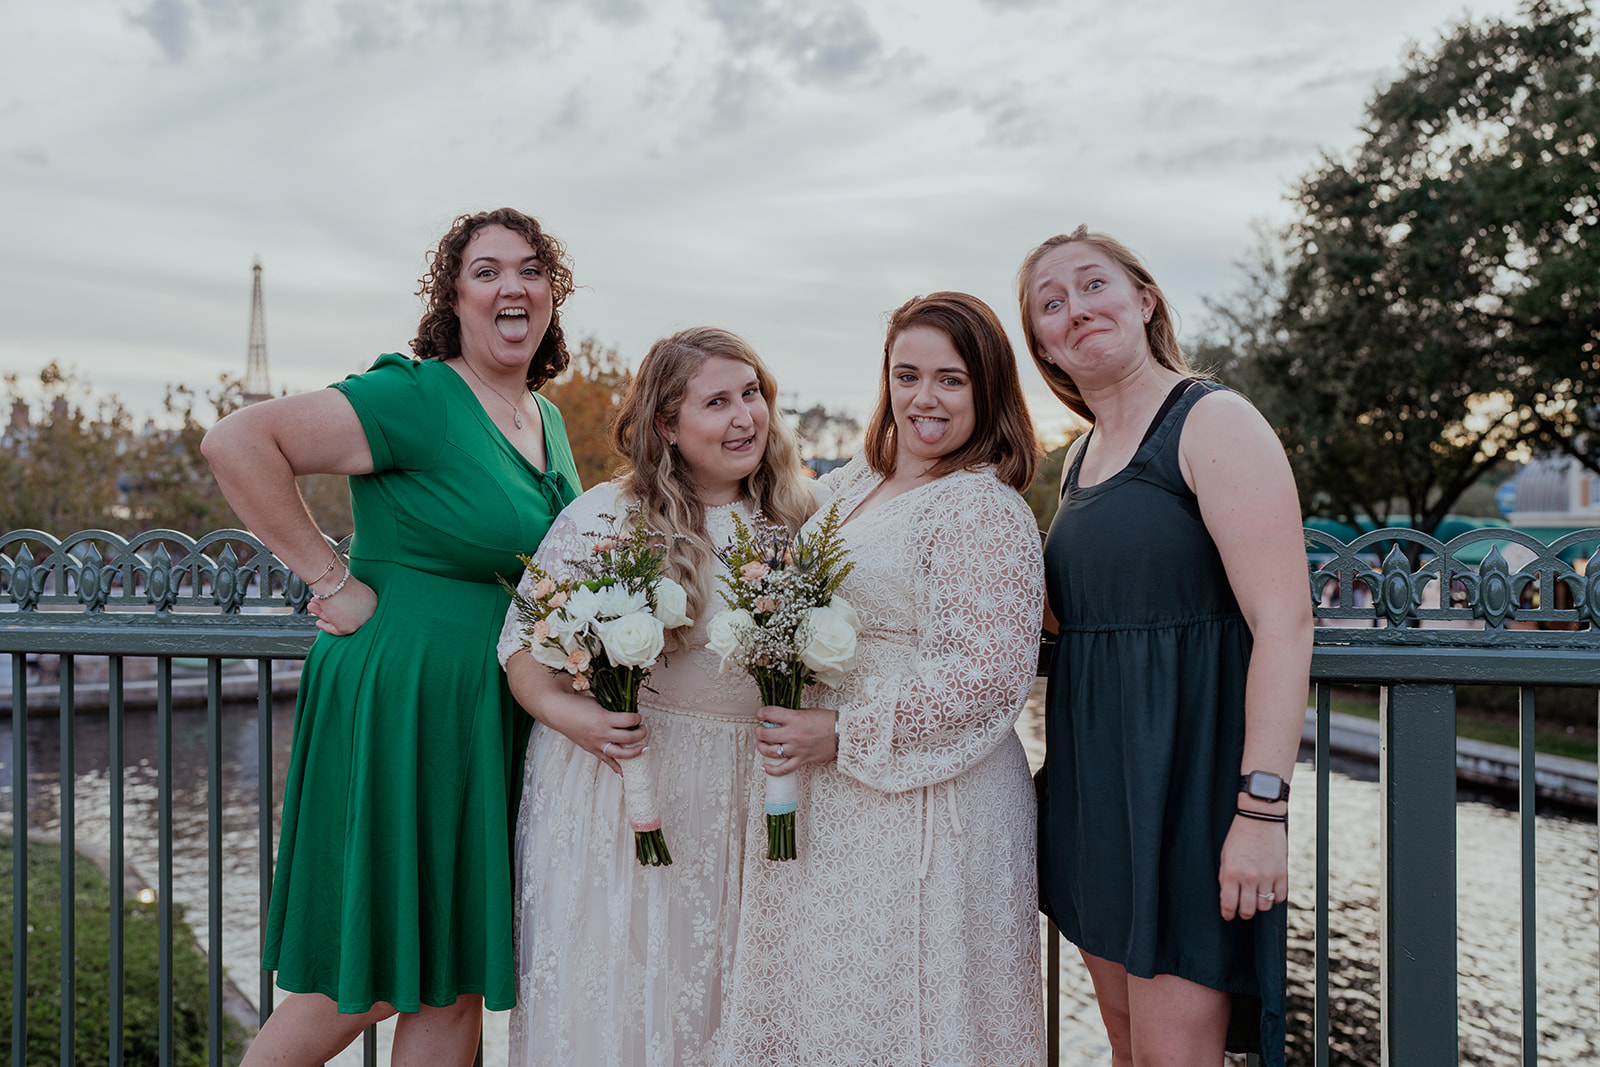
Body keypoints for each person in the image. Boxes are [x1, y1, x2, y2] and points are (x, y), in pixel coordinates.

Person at [201, 207, 582, 1067]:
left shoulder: (545, 418)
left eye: (531, 269)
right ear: (454, 297)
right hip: (405, 702)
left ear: (551, 293)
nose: (513, 286)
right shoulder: (415, 396)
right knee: (372, 970)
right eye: (486, 270)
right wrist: (329, 578)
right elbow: (237, 441)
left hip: (487, 710)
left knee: (456, 966)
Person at [715, 292, 1048, 1067]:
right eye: (907, 375)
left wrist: (840, 731)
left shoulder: (983, 507)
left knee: (913, 1015)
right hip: (837, 798)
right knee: (830, 1010)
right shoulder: (858, 482)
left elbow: (985, 676)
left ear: (989, 389)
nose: (924, 398)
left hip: (931, 804)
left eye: (950, 379)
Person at [1018, 226, 1311, 1067]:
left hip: (1187, 795)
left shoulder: (1212, 420)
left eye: (1093, 284)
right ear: (1044, 346)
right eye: (1051, 304)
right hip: (1097, 796)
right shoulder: (1077, 459)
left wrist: (1261, 812)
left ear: (1144, 300)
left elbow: (1285, 622)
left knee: (1176, 1055)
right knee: (1127, 1046)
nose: (1076, 309)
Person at [496, 327, 817, 1067]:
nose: (745, 417)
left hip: (750, 791)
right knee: (627, 994)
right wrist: (578, 718)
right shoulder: (606, 516)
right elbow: (523, 650)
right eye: (717, 402)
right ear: (667, 424)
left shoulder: (799, 518)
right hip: (625, 790)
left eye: (752, 394)